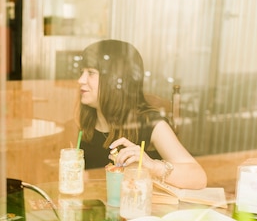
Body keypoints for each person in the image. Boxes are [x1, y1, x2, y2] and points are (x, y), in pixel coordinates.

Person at [74, 39, 207, 189]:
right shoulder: (88, 119)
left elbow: (198, 177)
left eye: (90, 73)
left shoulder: (149, 123)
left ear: (115, 80)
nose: (81, 80)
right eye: (81, 72)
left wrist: (153, 166)